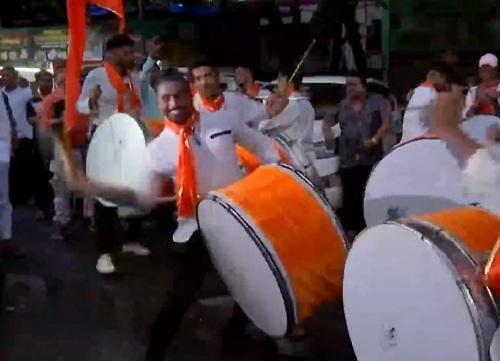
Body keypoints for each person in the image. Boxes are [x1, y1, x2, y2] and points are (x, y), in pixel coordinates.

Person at [67, 71, 280, 361]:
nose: (173, 103)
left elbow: (259, 144)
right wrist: (92, 186)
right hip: (195, 229)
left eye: (178, 95)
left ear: (189, 93)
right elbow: (141, 196)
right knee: (180, 297)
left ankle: (239, 336)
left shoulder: (222, 121)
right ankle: (155, 354)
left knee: (257, 281)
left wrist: (277, 171)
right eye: (165, 98)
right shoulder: (157, 151)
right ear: (159, 102)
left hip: (237, 219)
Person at [77, 34, 148, 274]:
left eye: (132, 52)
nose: (131, 56)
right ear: (112, 54)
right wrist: (90, 100)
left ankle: (131, 240)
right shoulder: (97, 76)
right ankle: (104, 254)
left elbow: (137, 110)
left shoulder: (133, 78)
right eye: (126, 53)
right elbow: (79, 106)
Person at [336, 71, 391, 236]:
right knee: (349, 196)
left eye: (354, 85)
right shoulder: (343, 105)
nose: (350, 89)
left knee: (367, 193)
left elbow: (386, 124)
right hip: (348, 158)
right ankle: (350, 232)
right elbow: (331, 122)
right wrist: (327, 132)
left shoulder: (378, 102)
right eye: (348, 86)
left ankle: (369, 230)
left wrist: (374, 140)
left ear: (364, 86)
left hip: (370, 158)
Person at [260, 67, 316, 168]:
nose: (278, 83)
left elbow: (265, 127)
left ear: (289, 83)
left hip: (295, 160)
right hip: (304, 159)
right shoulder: (306, 104)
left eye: (280, 80)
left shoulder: (293, 104)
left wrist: (269, 108)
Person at [191, 56, 267, 128]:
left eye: (208, 76)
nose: (204, 82)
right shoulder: (191, 108)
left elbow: (264, 115)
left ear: (217, 76)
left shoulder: (237, 100)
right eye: (198, 79)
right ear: (193, 84)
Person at [0, 66, 35, 206]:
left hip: (24, 137)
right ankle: (11, 198)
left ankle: (24, 198)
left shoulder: (26, 93)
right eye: (2, 75)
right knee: (9, 171)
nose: (4, 78)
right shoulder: (1, 94)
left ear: (15, 77)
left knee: (23, 169)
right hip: (5, 138)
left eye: (7, 75)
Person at [400, 62, 454, 142]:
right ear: (439, 76)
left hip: (406, 139)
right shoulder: (433, 95)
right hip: (420, 140)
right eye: (445, 78)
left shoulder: (416, 91)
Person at [30, 70, 56, 220]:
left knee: (55, 176)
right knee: (40, 175)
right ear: (37, 82)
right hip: (40, 142)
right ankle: (41, 207)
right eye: (43, 80)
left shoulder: (57, 99)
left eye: (49, 80)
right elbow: (31, 119)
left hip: (56, 142)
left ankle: (56, 207)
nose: (47, 83)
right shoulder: (32, 101)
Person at [0, 85, 17, 256]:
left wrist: (11, 142)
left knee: (2, 199)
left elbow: (9, 121)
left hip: (1, 151)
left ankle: (6, 238)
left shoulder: (2, 96)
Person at [141, 34, 169, 121]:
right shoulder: (141, 69)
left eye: (162, 44)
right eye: (156, 43)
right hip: (148, 121)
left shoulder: (169, 69)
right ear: (148, 45)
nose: (160, 47)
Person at [463, 53, 500, 118]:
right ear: (479, 71)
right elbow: (465, 115)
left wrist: (496, 100)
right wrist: (475, 106)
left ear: (496, 71)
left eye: (490, 69)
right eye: (484, 69)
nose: (487, 72)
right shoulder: (473, 91)